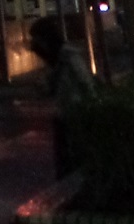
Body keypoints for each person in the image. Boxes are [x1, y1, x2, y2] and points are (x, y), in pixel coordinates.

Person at [28, 15, 94, 178]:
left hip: (73, 112)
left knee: (69, 156)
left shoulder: (67, 57)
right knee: (68, 156)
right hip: (66, 112)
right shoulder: (60, 59)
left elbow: (84, 81)